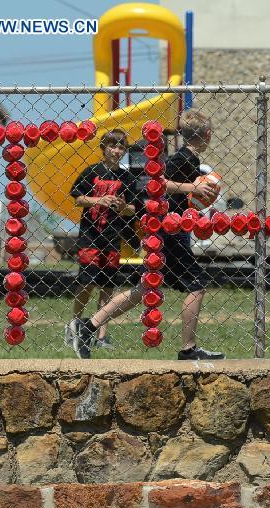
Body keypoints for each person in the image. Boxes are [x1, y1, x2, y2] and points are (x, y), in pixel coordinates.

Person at [71, 109, 224, 360]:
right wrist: (192, 187)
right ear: (207, 135)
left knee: (143, 288)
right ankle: (189, 349)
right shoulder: (183, 158)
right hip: (169, 231)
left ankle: (87, 328)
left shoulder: (190, 159)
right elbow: (158, 182)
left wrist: (194, 197)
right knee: (196, 286)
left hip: (171, 228)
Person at [64, 129, 138, 350]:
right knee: (87, 282)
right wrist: (98, 200)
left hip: (112, 237)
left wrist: (124, 208)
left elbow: (134, 209)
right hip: (90, 236)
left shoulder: (127, 178)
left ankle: (101, 335)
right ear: (103, 148)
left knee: (107, 286)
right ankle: (75, 322)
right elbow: (78, 199)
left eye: (121, 147)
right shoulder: (91, 172)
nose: (116, 151)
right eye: (112, 146)